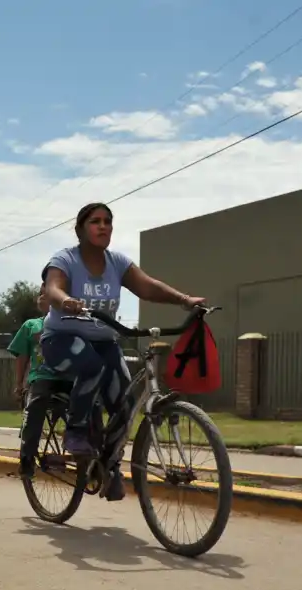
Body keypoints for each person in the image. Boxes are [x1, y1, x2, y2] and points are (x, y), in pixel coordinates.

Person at [40, 202, 203, 501]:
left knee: (124, 403)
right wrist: (65, 301)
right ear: (80, 230)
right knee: (91, 366)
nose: (103, 226)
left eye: (108, 221)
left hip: (104, 341)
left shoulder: (117, 263)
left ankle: (110, 465)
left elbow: (148, 286)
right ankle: (75, 431)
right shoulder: (65, 259)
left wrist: (184, 300)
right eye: (95, 221)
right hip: (61, 340)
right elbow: (53, 287)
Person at [8, 283, 74, 478]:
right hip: (42, 377)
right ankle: (27, 458)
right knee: (35, 408)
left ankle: (92, 458)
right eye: (39, 294)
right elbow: (22, 356)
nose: (41, 298)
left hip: (68, 377)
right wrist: (19, 385)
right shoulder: (31, 325)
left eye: (46, 295)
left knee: (88, 407)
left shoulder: (70, 324)